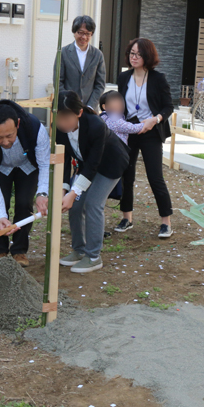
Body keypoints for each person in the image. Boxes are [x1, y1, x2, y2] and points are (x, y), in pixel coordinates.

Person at [55, 91, 130, 273]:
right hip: (87, 164)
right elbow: (64, 159)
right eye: (58, 118)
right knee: (75, 205)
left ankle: (93, 256)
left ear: (79, 113)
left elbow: (93, 165)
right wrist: (64, 188)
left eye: (66, 118)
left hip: (111, 164)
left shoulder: (95, 125)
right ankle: (79, 250)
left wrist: (74, 192)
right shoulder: (58, 128)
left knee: (93, 203)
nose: (62, 124)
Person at [0, 100, 50, 267]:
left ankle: (19, 251)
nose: (6, 142)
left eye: (10, 136)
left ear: (18, 124)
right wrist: (1, 215)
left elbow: (45, 164)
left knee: (24, 203)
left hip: (27, 165)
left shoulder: (36, 129)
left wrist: (42, 193)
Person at [115, 38, 175, 238]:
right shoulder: (124, 78)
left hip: (151, 132)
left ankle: (166, 222)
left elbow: (168, 107)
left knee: (155, 176)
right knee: (126, 175)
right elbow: (120, 105)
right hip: (129, 131)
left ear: (147, 56)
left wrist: (155, 120)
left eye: (138, 54)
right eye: (132, 53)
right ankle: (126, 218)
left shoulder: (158, 78)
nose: (134, 57)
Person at [55, 15, 107, 109]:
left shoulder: (98, 55)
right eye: (81, 32)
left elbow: (100, 84)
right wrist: (68, 102)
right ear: (74, 32)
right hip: (68, 107)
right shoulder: (63, 52)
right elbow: (58, 81)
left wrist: (90, 106)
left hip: (90, 108)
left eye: (88, 34)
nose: (84, 37)